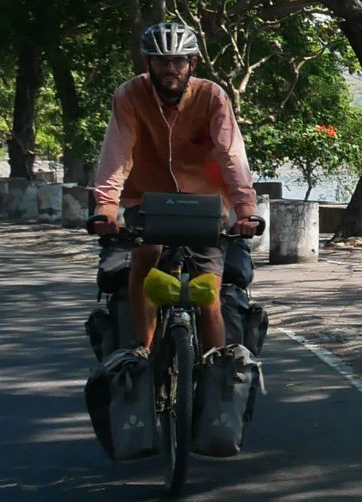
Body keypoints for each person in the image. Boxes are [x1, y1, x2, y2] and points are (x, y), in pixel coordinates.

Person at [86, 22, 264, 355]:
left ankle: (216, 365)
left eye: (178, 60)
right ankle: (143, 351)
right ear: (148, 63)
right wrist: (106, 207)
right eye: (161, 60)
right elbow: (117, 153)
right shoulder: (130, 95)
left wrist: (246, 210)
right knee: (145, 259)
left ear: (192, 63)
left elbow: (231, 154)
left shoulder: (212, 96)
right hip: (148, 202)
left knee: (208, 291)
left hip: (204, 206)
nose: (170, 68)